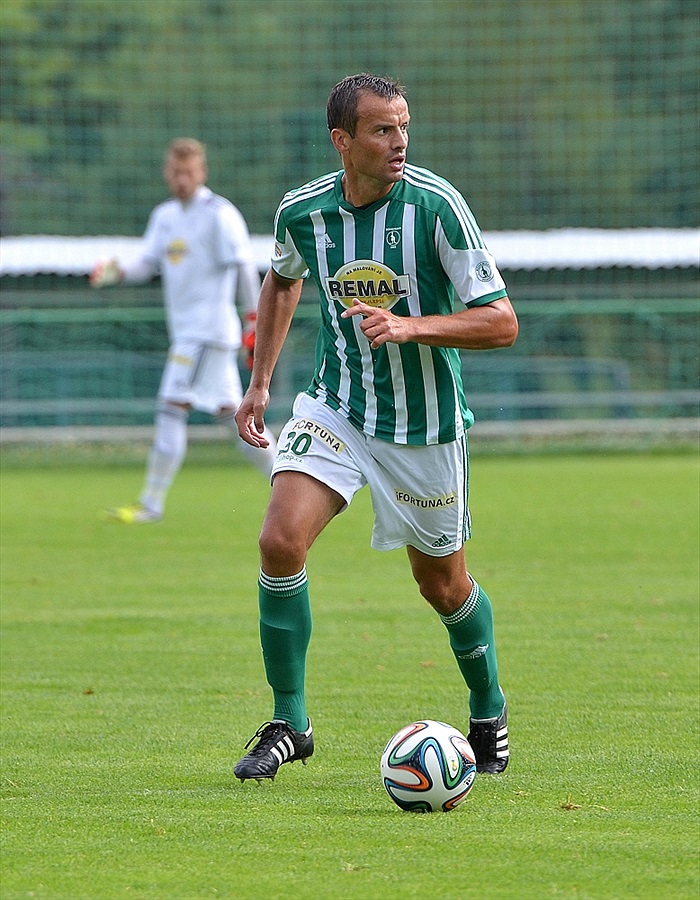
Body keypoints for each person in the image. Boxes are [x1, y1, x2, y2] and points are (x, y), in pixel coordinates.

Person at [233, 74, 518, 781]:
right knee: (279, 539)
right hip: (338, 409)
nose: (400, 143)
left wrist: (411, 325)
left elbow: (502, 322)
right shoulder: (303, 212)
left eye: (404, 127)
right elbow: (283, 278)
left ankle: (489, 705)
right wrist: (261, 381)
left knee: (442, 585)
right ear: (343, 140)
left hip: (425, 430)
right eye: (383, 130)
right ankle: (290, 721)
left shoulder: (437, 207)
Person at [90, 138, 277, 523]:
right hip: (191, 335)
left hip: (206, 333)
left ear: (201, 173)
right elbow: (146, 264)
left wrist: (253, 319)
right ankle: (295, 485)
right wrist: (116, 270)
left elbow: (243, 268)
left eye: (188, 173)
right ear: (166, 173)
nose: (181, 180)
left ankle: (151, 504)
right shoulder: (165, 216)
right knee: (235, 415)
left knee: (170, 408)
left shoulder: (218, 213)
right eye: (175, 173)